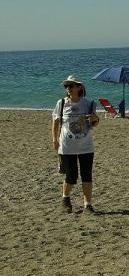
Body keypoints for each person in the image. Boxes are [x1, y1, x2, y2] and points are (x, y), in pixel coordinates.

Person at [51, 75, 100, 213]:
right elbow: (55, 123)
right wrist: (54, 140)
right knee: (71, 177)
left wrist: (95, 118)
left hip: (86, 146)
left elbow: (95, 124)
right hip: (67, 147)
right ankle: (65, 198)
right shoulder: (61, 103)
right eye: (66, 86)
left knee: (87, 176)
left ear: (79, 87)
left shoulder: (88, 103)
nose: (68, 89)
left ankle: (88, 205)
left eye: (71, 86)